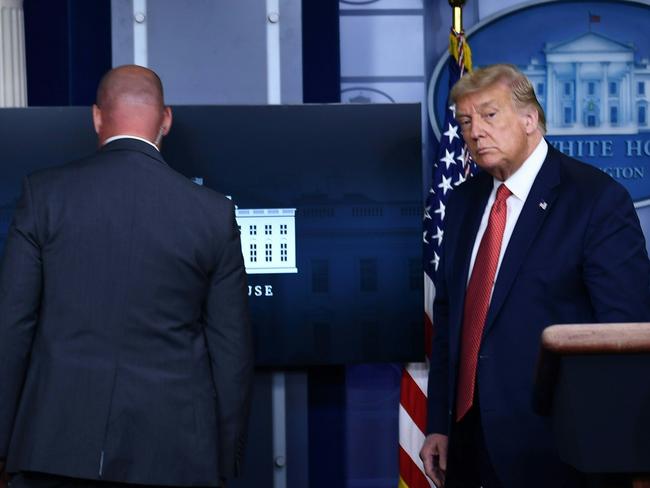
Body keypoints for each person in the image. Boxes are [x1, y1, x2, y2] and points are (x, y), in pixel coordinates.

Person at [0, 65, 254, 488]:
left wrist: (4, 447)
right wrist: (223, 461)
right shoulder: (212, 214)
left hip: (54, 450)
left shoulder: (43, 196)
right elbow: (232, 351)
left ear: (97, 117)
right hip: (176, 456)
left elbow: (11, 328)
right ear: (166, 119)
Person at [419, 63, 650, 488]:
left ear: (530, 120)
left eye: (489, 115)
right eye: (466, 121)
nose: (475, 133)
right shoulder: (463, 202)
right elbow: (451, 320)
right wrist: (440, 424)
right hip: (468, 443)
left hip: (560, 449)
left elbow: (625, 335)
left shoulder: (595, 200)